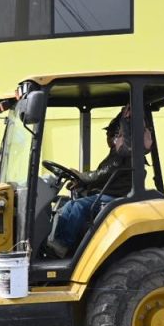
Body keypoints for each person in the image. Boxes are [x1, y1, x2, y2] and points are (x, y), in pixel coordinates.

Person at [49, 108, 154, 255]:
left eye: (109, 134)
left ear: (116, 135)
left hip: (115, 196)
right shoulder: (118, 154)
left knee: (78, 206)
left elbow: (101, 175)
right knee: (67, 205)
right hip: (109, 193)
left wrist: (81, 176)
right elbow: (103, 177)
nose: (107, 138)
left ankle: (64, 244)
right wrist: (81, 181)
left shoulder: (122, 155)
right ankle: (56, 242)